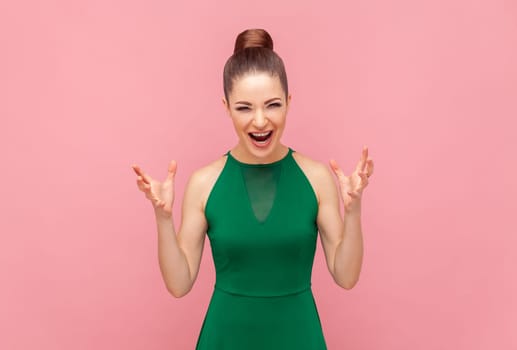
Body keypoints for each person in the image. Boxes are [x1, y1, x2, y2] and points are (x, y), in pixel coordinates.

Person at [131, 28, 374, 349]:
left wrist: (353, 209)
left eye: (272, 105)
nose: (260, 121)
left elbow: (346, 277)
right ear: (226, 107)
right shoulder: (205, 182)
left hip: (298, 337)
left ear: (288, 102)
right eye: (244, 108)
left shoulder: (316, 178)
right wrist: (162, 218)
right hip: (225, 338)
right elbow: (179, 284)